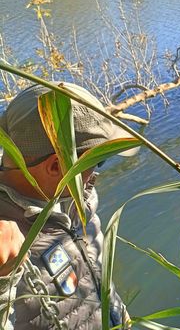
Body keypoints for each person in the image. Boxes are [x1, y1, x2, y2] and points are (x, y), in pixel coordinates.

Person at [0, 82, 137, 329]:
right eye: (99, 160)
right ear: (56, 167)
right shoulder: (5, 243)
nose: (96, 173)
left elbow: (94, 264)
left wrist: (118, 311)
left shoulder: (78, 197)